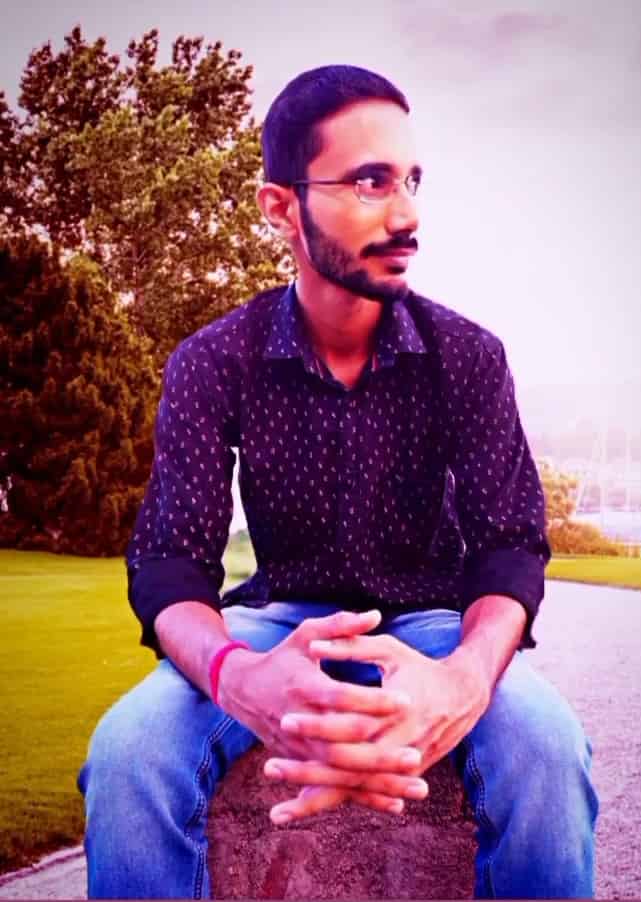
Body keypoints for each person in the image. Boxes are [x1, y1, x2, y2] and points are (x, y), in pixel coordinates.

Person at [77, 65, 599, 899]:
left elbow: (510, 545)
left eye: (412, 180)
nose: (407, 214)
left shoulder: (468, 356)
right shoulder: (214, 359)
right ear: (280, 207)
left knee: (547, 750)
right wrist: (235, 676)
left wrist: (465, 680)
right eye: (369, 181)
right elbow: (170, 562)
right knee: (127, 754)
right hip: (277, 620)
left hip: (433, 622)